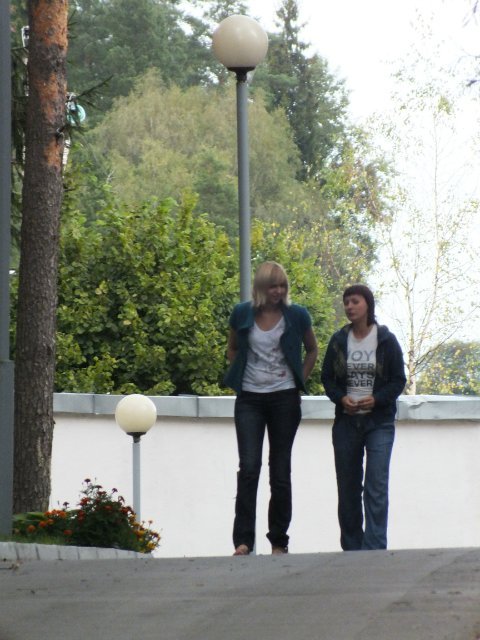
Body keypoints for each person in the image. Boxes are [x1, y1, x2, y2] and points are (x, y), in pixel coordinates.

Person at [225, 261, 318, 556]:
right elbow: (232, 348)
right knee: (249, 467)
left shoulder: (297, 315)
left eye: (282, 286)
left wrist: (299, 380)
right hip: (249, 399)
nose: (278, 291)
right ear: (261, 288)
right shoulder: (242, 313)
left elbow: (312, 349)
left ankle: (279, 541)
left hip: (284, 398)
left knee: (279, 471)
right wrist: (241, 371)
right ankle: (243, 541)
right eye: (273, 286)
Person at [321, 284, 406, 551]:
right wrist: (341, 398)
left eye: (355, 301)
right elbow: (327, 378)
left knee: (376, 485)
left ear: (368, 304)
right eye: (346, 302)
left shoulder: (386, 340)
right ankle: (352, 550)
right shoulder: (338, 341)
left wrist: (377, 399)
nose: (349, 307)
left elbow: (398, 380)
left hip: (379, 422)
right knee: (348, 488)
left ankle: (375, 549)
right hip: (346, 422)